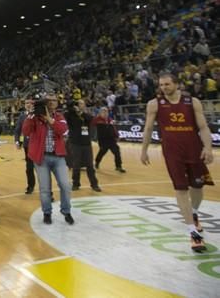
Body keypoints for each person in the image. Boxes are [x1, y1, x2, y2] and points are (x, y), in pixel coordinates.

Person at [141, 73, 215, 252]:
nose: (164, 88)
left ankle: (194, 213)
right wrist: (144, 150)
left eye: (167, 84)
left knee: (197, 187)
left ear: (176, 84)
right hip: (172, 153)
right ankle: (193, 233)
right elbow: (148, 128)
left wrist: (208, 147)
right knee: (180, 188)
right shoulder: (154, 104)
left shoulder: (192, 102)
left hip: (194, 150)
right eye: (161, 85)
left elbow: (203, 127)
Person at [22, 94, 74, 225]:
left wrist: (49, 119)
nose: (51, 102)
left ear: (57, 103)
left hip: (58, 157)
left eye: (54, 100)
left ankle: (66, 211)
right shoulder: (34, 117)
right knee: (45, 189)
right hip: (41, 158)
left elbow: (63, 130)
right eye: (48, 100)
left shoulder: (59, 117)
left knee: (65, 185)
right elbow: (26, 131)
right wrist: (30, 114)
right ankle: (47, 212)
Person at [64, 100, 101, 192]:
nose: (81, 105)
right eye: (79, 104)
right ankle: (76, 183)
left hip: (86, 143)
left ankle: (94, 184)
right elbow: (66, 114)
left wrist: (80, 112)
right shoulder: (70, 115)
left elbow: (91, 119)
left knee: (90, 165)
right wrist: (72, 109)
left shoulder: (86, 115)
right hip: (75, 143)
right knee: (76, 165)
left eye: (82, 104)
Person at [92, 107, 126, 172]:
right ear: (100, 113)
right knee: (102, 152)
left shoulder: (110, 120)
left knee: (117, 151)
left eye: (106, 112)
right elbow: (91, 124)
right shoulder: (96, 119)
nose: (105, 113)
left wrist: (117, 136)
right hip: (102, 140)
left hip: (111, 140)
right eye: (103, 112)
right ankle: (97, 162)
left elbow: (114, 129)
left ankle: (118, 166)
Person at [15, 98, 35, 194]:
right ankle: (30, 186)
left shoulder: (38, 115)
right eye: (27, 103)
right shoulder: (22, 116)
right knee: (29, 167)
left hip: (38, 145)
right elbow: (18, 129)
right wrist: (17, 141)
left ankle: (47, 190)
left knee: (42, 168)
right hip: (27, 145)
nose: (28, 104)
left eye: (30, 102)